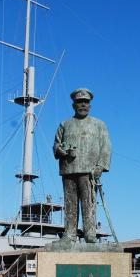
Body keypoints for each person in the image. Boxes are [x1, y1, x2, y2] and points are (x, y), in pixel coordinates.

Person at [53, 88, 111, 243]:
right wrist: (63, 151)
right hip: (68, 170)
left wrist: (101, 166)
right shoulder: (65, 124)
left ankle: (90, 233)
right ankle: (70, 234)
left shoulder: (99, 124)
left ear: (90, 105)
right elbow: (56, 146)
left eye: (86, 102)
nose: (83, 105)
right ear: (73, 105)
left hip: (89, 171)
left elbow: (106, 147)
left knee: (89, 203)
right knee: (70, 204)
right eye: (79, 102)